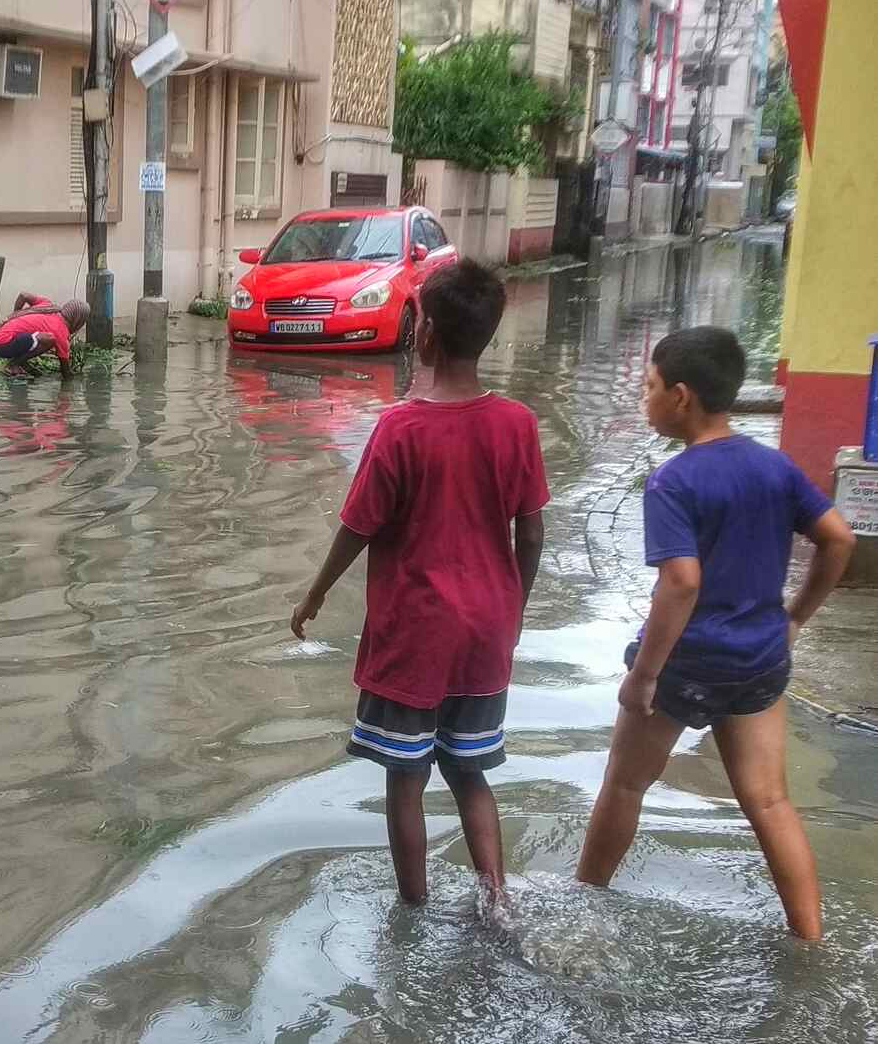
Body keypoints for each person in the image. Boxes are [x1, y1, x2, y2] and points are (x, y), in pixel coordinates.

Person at [577, 326, 855, 941]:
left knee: (625, 783)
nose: (642, 399)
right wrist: (795, 616)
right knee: (770, 802)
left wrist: (643, 677)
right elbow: (840, 538)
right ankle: (810, 938)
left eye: (648, 388)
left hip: (686, 663)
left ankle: (581, 905)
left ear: (681, 397)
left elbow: (680, 583)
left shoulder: (674, 481)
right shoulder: (775, 467)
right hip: (759, 660)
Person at [291, 260, 549, 904]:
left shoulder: (400, 427)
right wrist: (511, 609)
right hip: (488, 630)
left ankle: (413, 908)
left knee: (405, 780)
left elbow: (358, 527)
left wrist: (317, 591)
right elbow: (533, 534)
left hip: (416, 634)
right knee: (470, 772)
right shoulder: (517, 423)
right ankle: (496, 902)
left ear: (425, 333)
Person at [0, 292, 89, 379]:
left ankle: (20, 363)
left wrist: (14, 315)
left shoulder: (48, 306)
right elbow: (65, 372)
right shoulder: (61, 332)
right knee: (49, 340)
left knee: (37, 337)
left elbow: (23, 295)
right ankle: (13, 365)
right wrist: (76, 379)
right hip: (3, 345)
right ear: (78, 321)